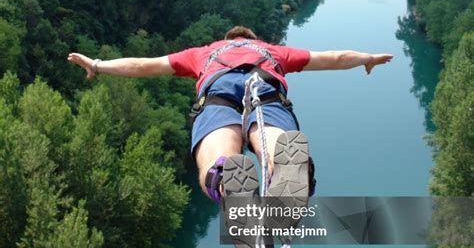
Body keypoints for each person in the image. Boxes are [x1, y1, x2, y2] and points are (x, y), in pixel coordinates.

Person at [68, 26, 393, 212]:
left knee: (219, 151)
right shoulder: (273, 51)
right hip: (264, 85)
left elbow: (143, 66)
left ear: (227, 38)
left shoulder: (202, 53)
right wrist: (367, 59)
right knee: (272, 136)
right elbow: (333, 58)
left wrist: (97, 64)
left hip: (217, 90)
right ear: (252, 38)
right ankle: (284, 164)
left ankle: (223, 174)